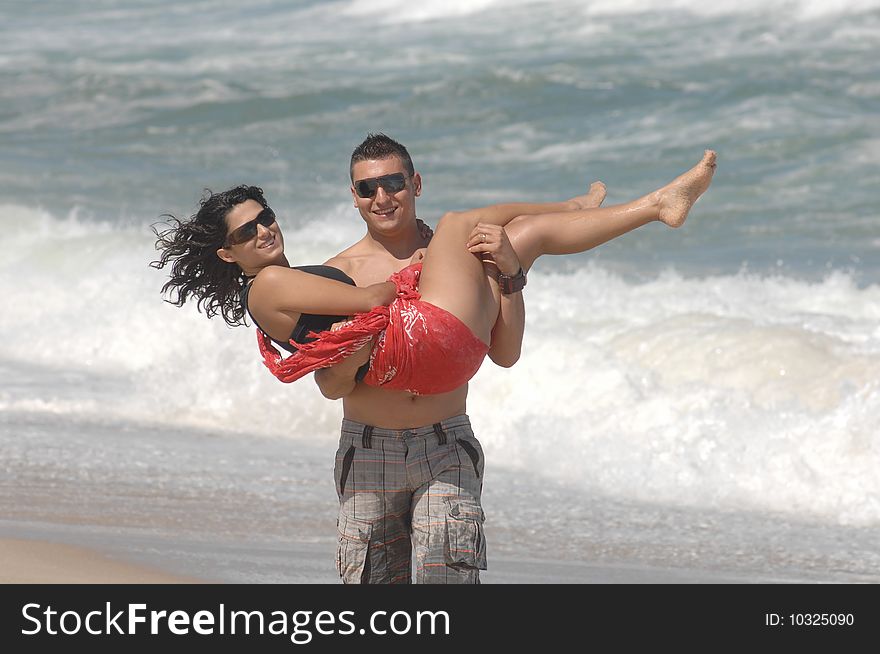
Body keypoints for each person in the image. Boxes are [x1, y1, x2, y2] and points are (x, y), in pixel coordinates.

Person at [153, 138, 716, 582]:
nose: (382, 197)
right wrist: (407, 285)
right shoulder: (333, 270)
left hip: (445, 440)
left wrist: (510, 273)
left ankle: (641, 206)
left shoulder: (461, 261)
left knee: (514, 237)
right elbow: (332, 380)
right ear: (352, 196)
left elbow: (506, 353)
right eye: (367, 188)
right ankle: (617, 206)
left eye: (393, 182)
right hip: (370, 449)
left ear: (414, 183)